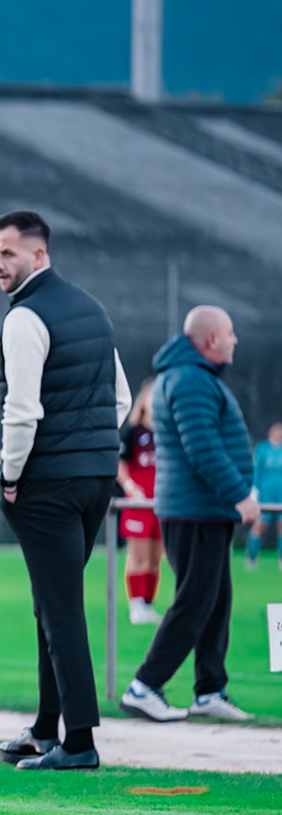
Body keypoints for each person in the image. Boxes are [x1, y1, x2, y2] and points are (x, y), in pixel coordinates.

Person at [0, 211, 131, 772]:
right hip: (97, 478)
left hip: (46, 482)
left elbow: (21, 412)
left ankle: (80, 742)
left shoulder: (24, 318)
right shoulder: (90, 308)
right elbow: (118, 399)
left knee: (61, 610)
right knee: (53, 603)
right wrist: (89, 450)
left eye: (9, 254)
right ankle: (48, 728)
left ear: (38, 256)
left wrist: (10, 478)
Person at [120, 307, 259, 724]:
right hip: (196, 510)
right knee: (195, 601)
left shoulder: (186, 376)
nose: (235, 340)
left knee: (216, 599)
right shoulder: (191, 379)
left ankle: (209, 689)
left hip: (202, 510)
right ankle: (144, 685)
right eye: (230, 333)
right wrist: (240, 494)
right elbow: (202, 448)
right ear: (211, 339)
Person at [117, 379, 163, 625]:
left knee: (156, 558)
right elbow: (119, 463)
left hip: (162, 505)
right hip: (139, 505)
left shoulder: (168, 433)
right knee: (139, 556)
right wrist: (130, 487)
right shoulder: (133, 432)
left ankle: (147, 603)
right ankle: (136, 604)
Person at [247, 422, 282, 569]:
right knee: (259, 525)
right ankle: (252, 558)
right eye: (276, 432)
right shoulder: (262, 448)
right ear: (270, 432)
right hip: (265, 496)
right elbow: (256, 471)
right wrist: (254, 492)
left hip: (280, 496)